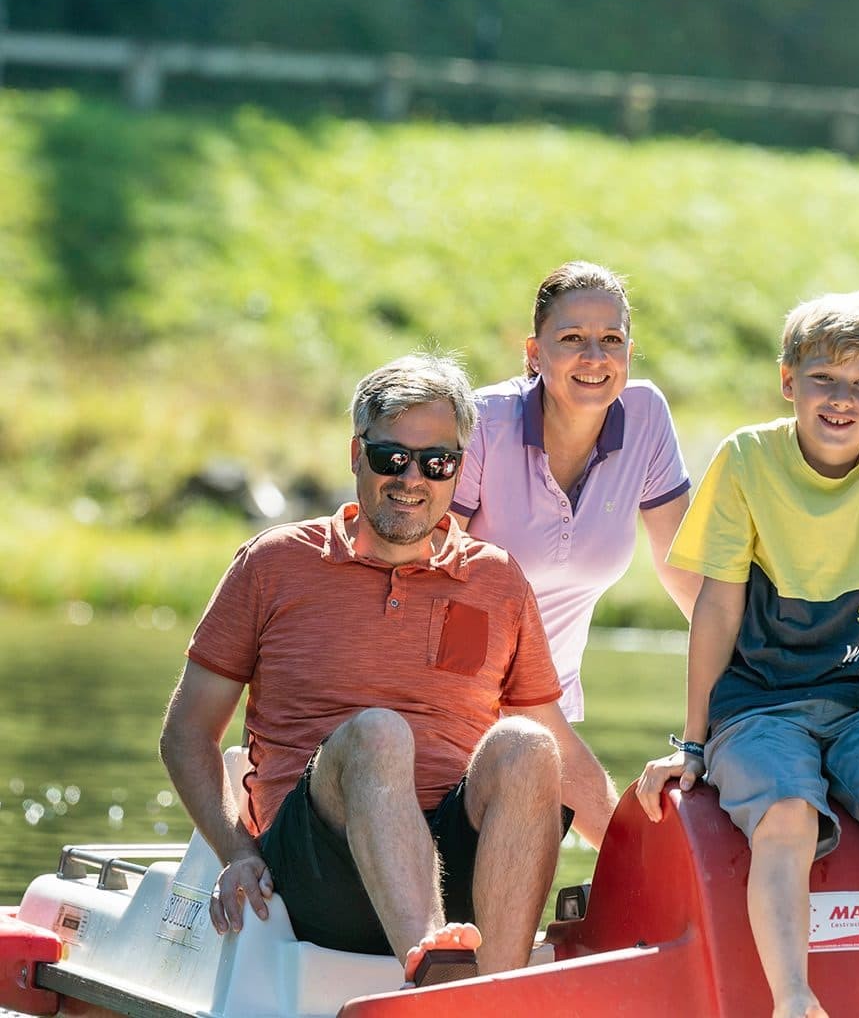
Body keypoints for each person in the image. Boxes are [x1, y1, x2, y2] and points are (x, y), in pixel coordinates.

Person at [159, 352, 619, 989]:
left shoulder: (496, 579)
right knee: (378, 733)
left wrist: (639, 858)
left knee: (526, 745)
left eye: (436, 463)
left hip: (455, 869)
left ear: (457, 470)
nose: (412, 479)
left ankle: (495, 993)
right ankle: (434, 978)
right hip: (319, 869)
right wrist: (235, 853)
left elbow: (556, 743)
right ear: (356, 454)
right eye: (391, 457)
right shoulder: (275, 563)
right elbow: (187, 732)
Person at [635, 292, 859, 1018]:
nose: (841, 399)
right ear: (788, 381)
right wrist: (694, 743)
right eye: (823, 378)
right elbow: (717, 607)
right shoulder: (745, 458)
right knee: (789, 817)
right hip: (758, 703)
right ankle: (794, 1000)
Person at [451, 261, 700, 724]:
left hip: (551, 707)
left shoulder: (646, 416)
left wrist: (753, 682)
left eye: (611, 339)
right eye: (571, 339)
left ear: (629, 351)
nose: (594, 356)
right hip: (456, 700)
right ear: (534, 353)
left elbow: (687, 576)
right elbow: (430, 573)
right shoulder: (483, 420)